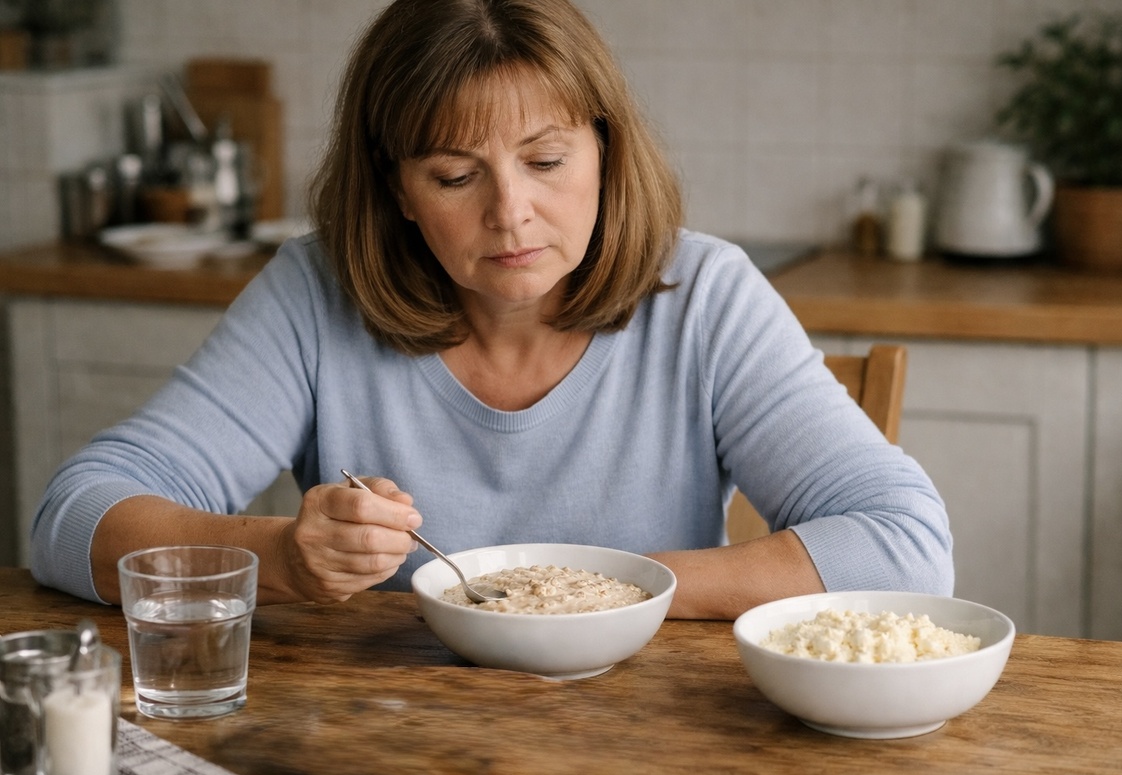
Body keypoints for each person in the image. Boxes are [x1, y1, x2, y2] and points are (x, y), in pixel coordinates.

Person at [30, 0, 954, 618]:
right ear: (396, 188)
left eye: (546, 162)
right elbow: (70, 522)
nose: (510, 212)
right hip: (383, 742)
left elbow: (905, 547)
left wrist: (589, 593)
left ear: (604, 150)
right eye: (454, 175)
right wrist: (283, 554)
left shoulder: (705, 296)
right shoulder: (316, 296)